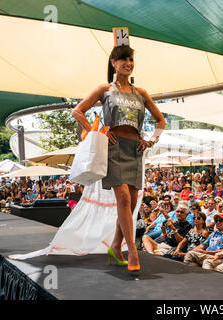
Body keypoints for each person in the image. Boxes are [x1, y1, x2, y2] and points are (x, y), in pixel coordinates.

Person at [72, 42, 166, 271]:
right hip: (113, 148)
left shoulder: (141, 93)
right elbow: (78, 111)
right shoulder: (105, 89)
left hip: (135, 150)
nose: (128, 63)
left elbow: (161, 121)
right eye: (123, 59)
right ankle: (131, 250)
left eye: (131, 60)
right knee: (123, 199)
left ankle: (115, 245)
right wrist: (97, 133)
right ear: (113, 63)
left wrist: (151, 140)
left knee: (132, 203)